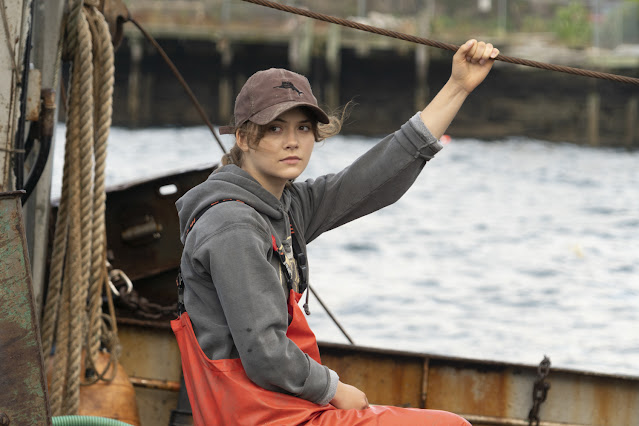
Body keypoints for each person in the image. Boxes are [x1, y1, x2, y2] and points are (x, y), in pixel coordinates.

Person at [172, 39, 499, 425]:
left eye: (304, 128)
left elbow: (372, 179)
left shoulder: (286, 207)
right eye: (275, 128)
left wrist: (457, 86)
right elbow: (264, 353)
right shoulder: (233, 225)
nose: (292, 140)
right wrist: (334, 389)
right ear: (243, 137)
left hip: (287, 406)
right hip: (261, 417)